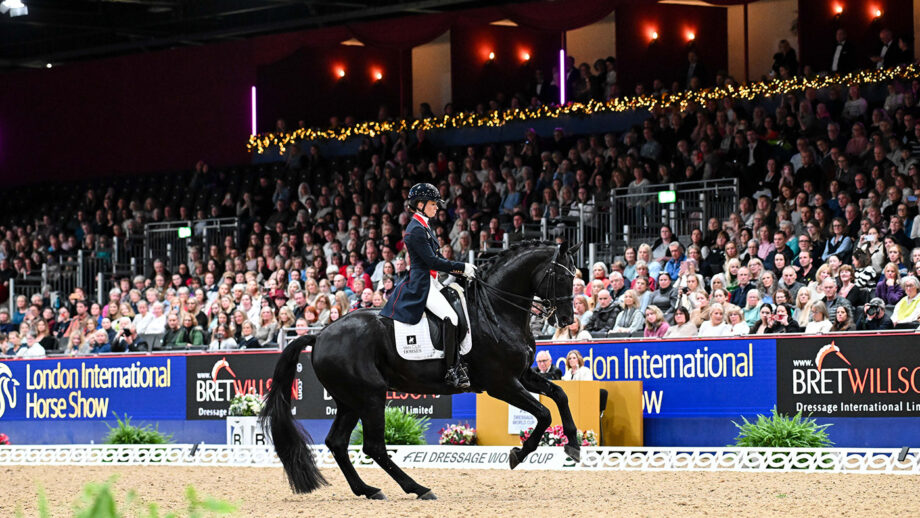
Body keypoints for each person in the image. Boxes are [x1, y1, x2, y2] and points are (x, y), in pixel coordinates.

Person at [379, 183, 476, 389]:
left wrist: (458, 272)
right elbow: (432, 261)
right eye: (433, 204)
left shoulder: (424, 225)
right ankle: (452, 370)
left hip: (433, 280)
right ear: (421, 204)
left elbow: (439, 257)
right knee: (450, 317)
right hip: (422, 283)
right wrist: (461, 267)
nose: (437, 208)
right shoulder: (414, 230)